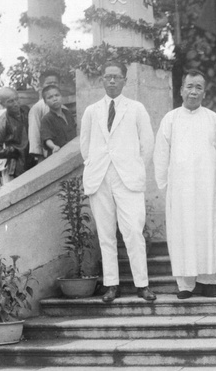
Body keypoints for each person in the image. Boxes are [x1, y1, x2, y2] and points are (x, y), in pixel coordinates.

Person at [80, 60, 156, 303]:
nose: (111, 81)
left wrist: (133, 169)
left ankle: (142, 284)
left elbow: (147, 145)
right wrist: (96, 165)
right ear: (102, 80)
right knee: (105, 234)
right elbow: (85, 145)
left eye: (116, 77)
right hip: (100, 177)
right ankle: (111, 285)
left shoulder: (136, 108)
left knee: (133, 231)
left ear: (125, 80)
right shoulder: (92, 111)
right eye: (107, 76)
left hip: (128, 179)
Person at [153, 69, 216, 299]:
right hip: (180, 189)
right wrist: (167, 185)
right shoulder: (171, 119)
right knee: (183, 232)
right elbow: (161, 154)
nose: (193, 91)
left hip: (207, 187)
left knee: (209, 230)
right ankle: (185, 284)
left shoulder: (212, 118)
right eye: (189, 86)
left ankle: (210, 280)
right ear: (181, 90)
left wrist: (214, 180)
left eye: (198, 87)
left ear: (204, 93)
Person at [0, 87, 31, 182]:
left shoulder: (26, 110)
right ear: (2, 104)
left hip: (32, 156)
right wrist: (12, 151)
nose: (16, 103)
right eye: (10, 101)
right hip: (17, 163)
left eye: (17, 99)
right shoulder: (2, 122)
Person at [29, 70, 62, 162]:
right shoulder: (37, 108)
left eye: (55, 83)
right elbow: (34, 133)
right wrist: (38, 157)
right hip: (46, 154)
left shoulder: (62, 107)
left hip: (61, 150)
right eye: (48, 83)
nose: (52, 85)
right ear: (42, 86)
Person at [40, 85, 76, 156]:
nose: (55, 99)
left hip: (72, 151)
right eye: (50, 97)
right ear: (45, 102)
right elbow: (46, 138)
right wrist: (54, 146)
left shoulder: (67, 113)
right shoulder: (46, 119)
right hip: (57, 154)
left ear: (61, 97)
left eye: (57, 95)